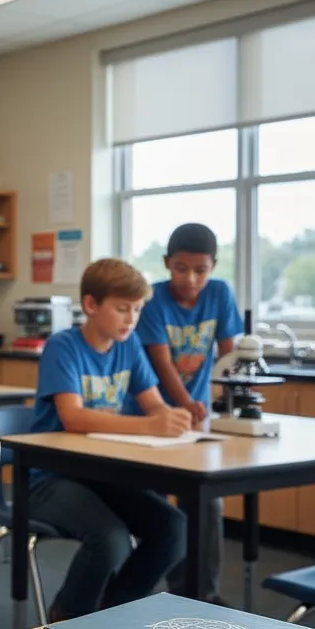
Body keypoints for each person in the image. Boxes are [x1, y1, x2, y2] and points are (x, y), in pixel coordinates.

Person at [28, 258, 189, 622]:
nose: (130, 319)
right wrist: (152, 426)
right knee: (111, 539)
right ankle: (67, 617)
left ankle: (110, 615)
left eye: (136, 310)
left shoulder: (129, 346)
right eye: (121, 309)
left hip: (102, 476)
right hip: (49, 478)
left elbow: (155, 406)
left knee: (174, 528)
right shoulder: (63, 345)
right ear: (90, 305)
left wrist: (171, 418)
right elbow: (73, 418)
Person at [135, 223, 243, 604]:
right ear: (167, 264)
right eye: (181, 268)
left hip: (196, 422)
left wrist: (225, 396)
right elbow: (161, 363)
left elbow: (230, 356)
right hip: (154, 418)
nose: (191, 278)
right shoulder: (153, 301)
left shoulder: (220, 294)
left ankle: (203, 593)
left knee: (209, 502)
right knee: (163, 505)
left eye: (201, 270)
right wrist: (185, 402)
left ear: (213, 266)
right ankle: (170, 592)